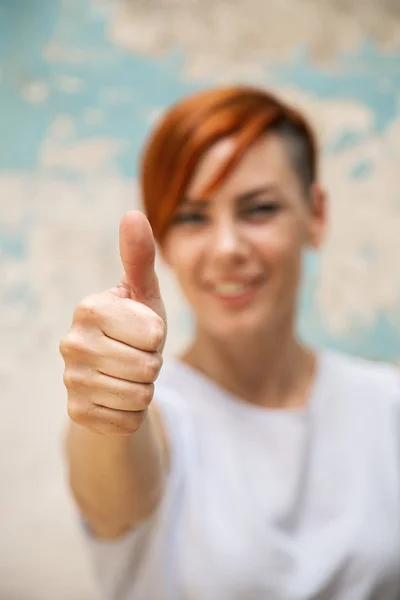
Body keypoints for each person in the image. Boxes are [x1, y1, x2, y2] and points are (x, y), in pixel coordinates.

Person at [60, 85, 400, 600]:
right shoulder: (155, 416)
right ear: (164, 241)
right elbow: (112, 490)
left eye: (258, 210)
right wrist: (106, 407)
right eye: (192, 217)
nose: (227, 249)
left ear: (317, 215)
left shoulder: (386, 404)